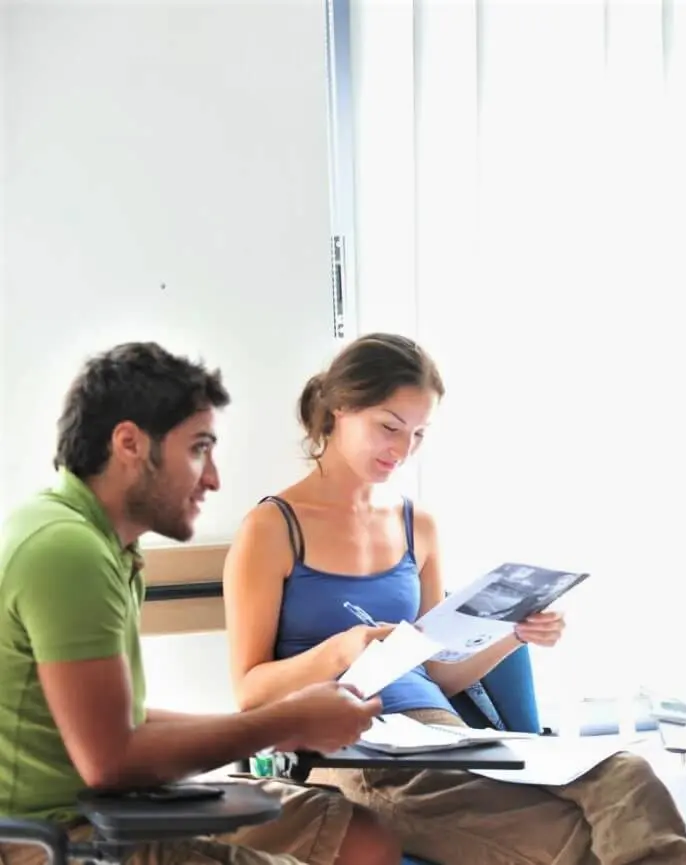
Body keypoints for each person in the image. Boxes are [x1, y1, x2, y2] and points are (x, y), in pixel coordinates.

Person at [222, 333, 686, 865]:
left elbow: (440, 674)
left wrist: (514, 634)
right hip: (354, 750)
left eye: (418, 435)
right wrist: (341, 653)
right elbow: (250, 693)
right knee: (583, 841)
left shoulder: (418, 527)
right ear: (340, 407)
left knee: (627, 774)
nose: (402, 450)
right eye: (388, 427)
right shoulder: (271, 530)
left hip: (444, 739)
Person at [0, 342, 402, 865]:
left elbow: (119, 721)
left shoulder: (107, 544)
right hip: (55, 836)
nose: (212, 478)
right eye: (198, 449)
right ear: (130, 444)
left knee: (364, 837)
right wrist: (286, 723)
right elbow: (111, 760)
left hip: (107, 808)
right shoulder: (66, 550)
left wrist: (282, 717)